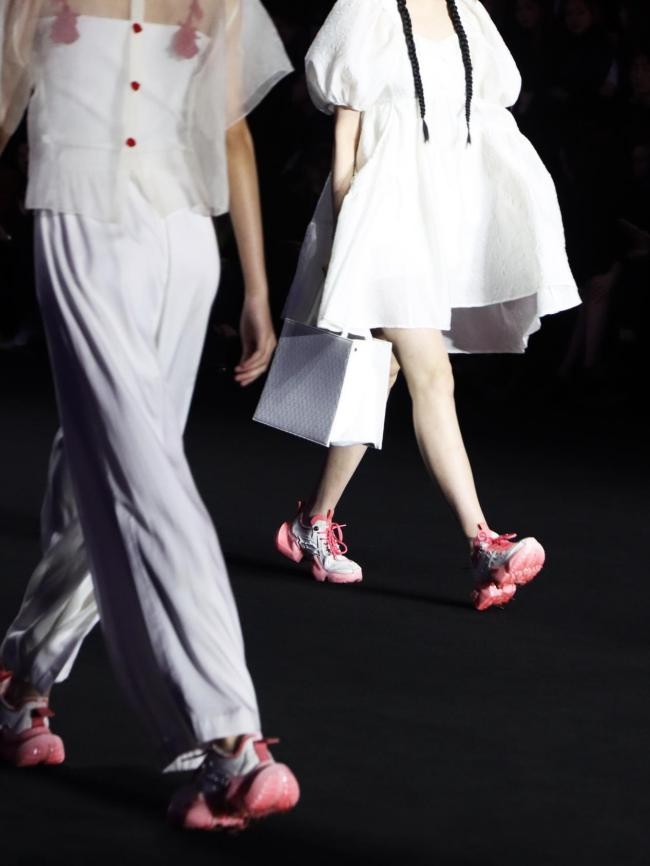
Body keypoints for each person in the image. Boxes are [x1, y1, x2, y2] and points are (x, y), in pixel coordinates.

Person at [0, 0, 299, 831]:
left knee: (111, 459)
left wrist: (257, 291)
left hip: (184, 242)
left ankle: (23, 686)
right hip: (80, 223)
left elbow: (232, 131)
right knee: (143, 472)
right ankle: (230, 740)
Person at [273, 0, 581, 610]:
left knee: (383, 373)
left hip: (436, 225)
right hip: (383, 219)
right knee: (433, 375)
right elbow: (347, 125)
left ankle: (313, 523)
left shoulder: (468, 15)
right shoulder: (368, 10)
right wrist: (344, 229)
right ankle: (483, 542)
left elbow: (486, 125)